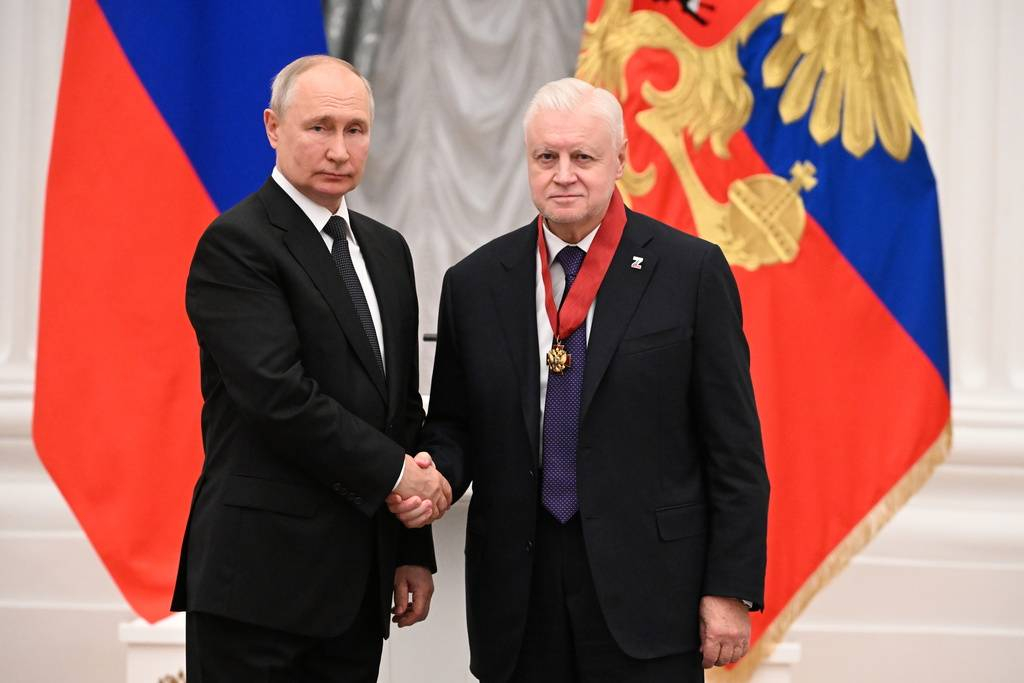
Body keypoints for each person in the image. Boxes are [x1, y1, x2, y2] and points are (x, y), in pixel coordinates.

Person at [392, 78, 770, 682]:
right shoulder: (474, 284)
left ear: (620, 160)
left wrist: (729, 588)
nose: (563, 175)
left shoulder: (690, 272)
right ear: (527, 162)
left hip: (651, 592)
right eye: (547, 157)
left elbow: (735, 449)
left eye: (583, 157)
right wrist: (435, 478)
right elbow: (454, 427)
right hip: (518, 596)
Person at [171, 55, 451, 682]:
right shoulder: (237, 243)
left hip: (357, 591)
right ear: (273, 128)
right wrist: (400, 475)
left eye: (355, 130)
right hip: (257, 588)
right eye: (319, 127)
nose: (339, 150)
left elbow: (400, 407)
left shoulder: (388, 250)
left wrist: (411, 546)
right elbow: (279, 397)